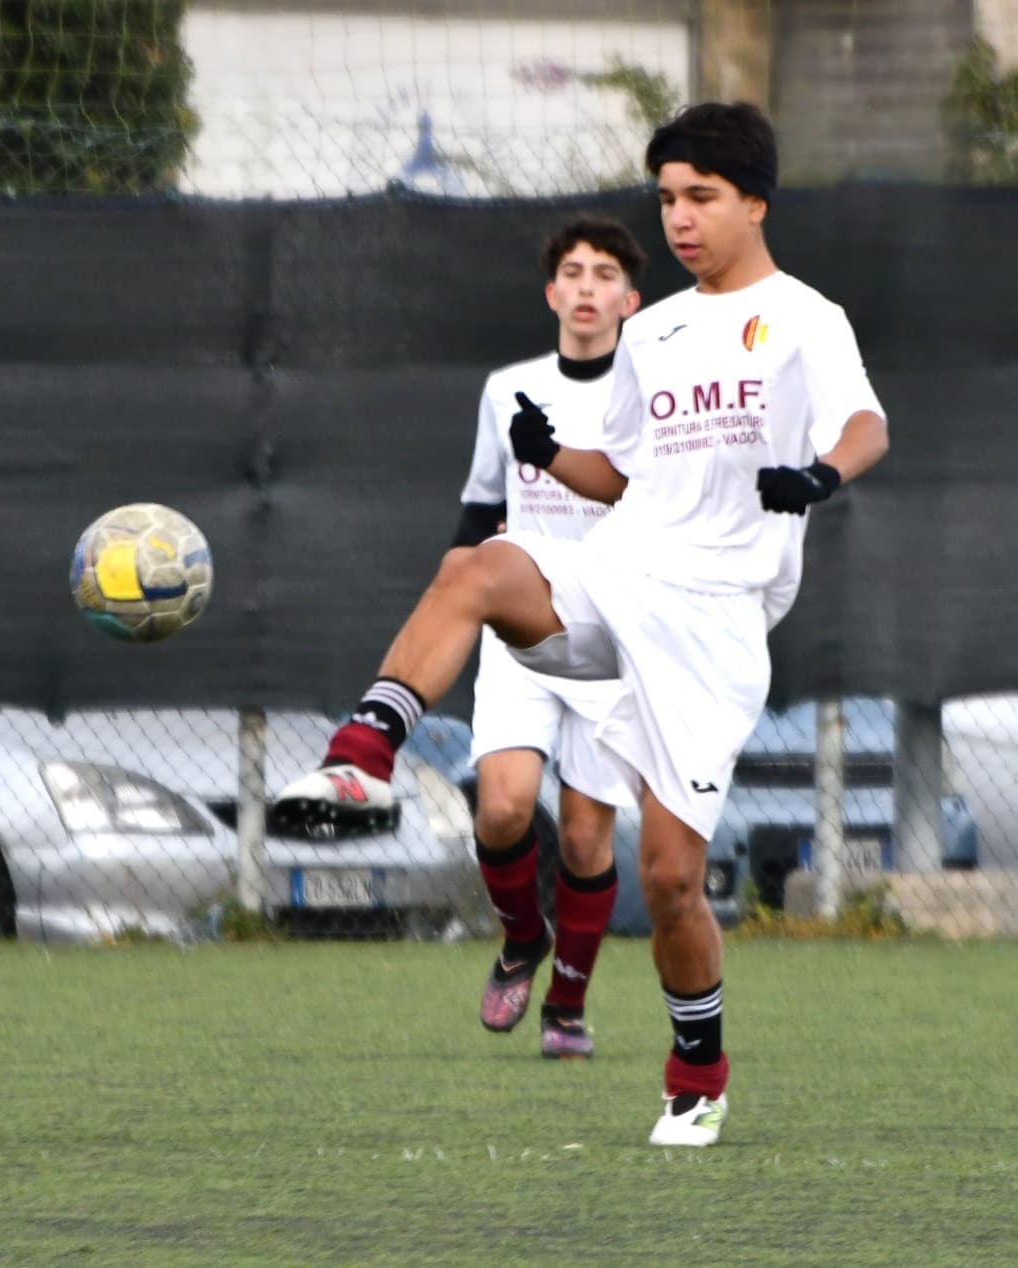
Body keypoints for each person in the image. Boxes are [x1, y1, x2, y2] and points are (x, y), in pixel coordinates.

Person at [278, 102, 888, 1146]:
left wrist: (820, 475)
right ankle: (360, 758)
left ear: (755, 202)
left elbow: (866, 424)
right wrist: (549, 454)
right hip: (616, 572)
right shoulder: (651, 332)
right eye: (668, 198)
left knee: (672, 879)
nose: (680, 217)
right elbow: (621, 477)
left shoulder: (804, 317)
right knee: (475, 567)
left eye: (701, 197)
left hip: (713, 619)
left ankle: (697, 1071)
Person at [452, 216, 648, 1060]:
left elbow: (658, 503)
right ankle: (521, 938)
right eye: (572, 272)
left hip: (611, 637)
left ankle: (566, 1008)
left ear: (630, 301)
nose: (586, 286)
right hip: (523, 626)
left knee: (583, 838)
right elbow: (478, 510)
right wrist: (453, 599)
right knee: (501, 809)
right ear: (550, 292)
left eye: (604, 274)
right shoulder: (508, 388)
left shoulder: (650, 397)